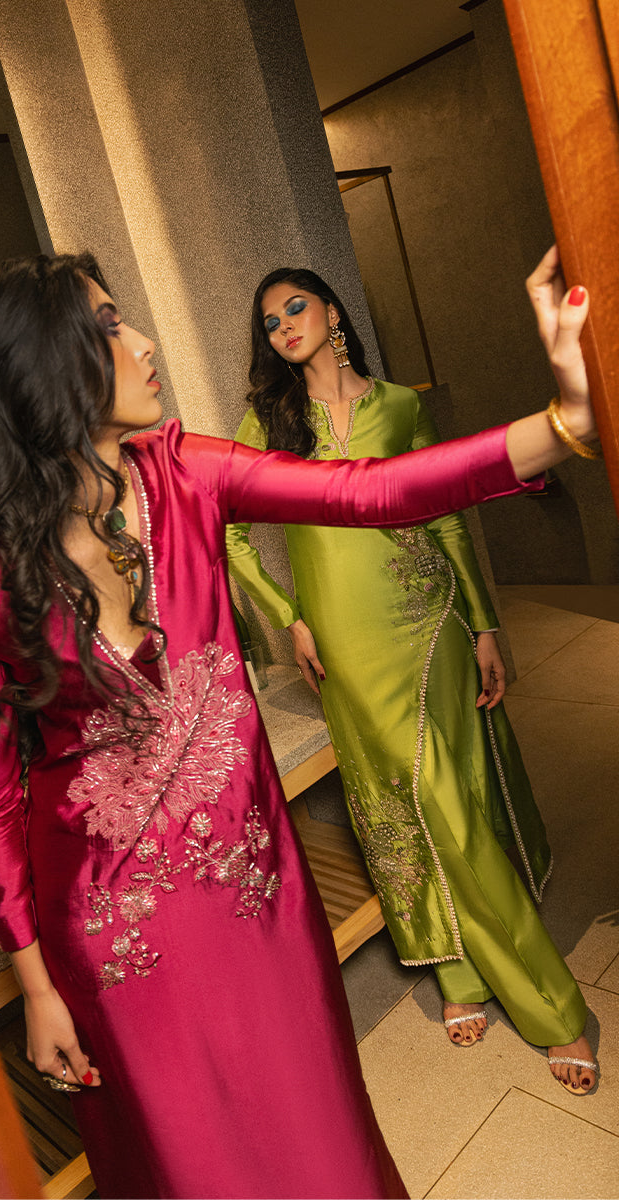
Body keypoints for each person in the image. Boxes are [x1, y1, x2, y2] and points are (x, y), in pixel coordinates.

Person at [0, 247, 595, 1200]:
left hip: (255, 895)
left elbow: (373, 489)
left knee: (322, 1143)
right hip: (115, 937)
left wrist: (566, 425)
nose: (144, 342)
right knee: (192, 1168)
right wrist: (34, 985)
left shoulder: (186, 476)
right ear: (44, 371)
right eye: (109, 325)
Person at [226, 246, 599, 1102]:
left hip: (429, 622)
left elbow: (448, 516)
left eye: (295, 308)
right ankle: (475, 974)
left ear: (333, 313)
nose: (283, 327)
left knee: (453, 801)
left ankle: (526, 994)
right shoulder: (270, 424)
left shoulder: (399, 406)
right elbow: (230, 533)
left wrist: (483, 622)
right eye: (270, 322)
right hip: (344, 649)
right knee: (404, 803)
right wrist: (289, 617)